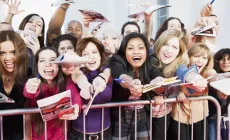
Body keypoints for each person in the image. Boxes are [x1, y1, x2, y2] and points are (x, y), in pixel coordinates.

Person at [110, 32, 164, 140]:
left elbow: (156, 74)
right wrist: (131, 83)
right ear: (124, 51)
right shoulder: (117, 60)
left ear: (146, 50)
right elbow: (120, 75)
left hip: (142, 118)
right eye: (130, 48)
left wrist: (159, 82)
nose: (136, 52)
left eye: (141, 48)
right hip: (121, 120)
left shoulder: (150, 61)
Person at [23, 47, 83, 140]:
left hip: (61, 137)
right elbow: (28, 93)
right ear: (37, 65)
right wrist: (30, 89)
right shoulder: (33, 82)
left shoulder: (66, 81)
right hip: (36, 137)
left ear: (58, 65)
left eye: (52, 60)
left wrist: (76, 107)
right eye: (42, 60)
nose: (48, 64)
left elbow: (75, 95)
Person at [70, 37, 112, 140]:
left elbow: (107, 73)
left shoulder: (107, 71)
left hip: (105, 134)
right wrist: (84, 85)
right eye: (85, 54)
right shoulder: (77, 72)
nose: (90, 57)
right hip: (78, 135)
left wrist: (102, 78)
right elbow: (77, 76)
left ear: (100, 55)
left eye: (94, 52)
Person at [171, 43, 214, 140]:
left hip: (200, 116)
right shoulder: (180, 69)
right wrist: (179, 92)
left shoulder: (207, 72)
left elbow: (213, 75)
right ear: (189, 57)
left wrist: (221, 77)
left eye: (204, 58)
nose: (200, 60)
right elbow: (171, 88)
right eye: (196, 56)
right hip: (180, 116)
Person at [152, 29, 188, 140]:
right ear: (159, 44)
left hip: (165, 115)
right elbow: (153, 74)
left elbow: (186, 73)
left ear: (179, 52)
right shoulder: (150, 60)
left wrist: (193, 79)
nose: (168, 50)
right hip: (145, 117)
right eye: (165, 44)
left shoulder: (179, 66)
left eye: (174, 47)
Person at [0, 30, 28, 140]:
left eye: (13, 52)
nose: (8, 58)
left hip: (20, 136)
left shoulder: (28, 75)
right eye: (2, 53)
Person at [208, 48, 230, 140]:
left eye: (229, 59)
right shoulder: (212, 75)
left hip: (228, 118)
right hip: (213, 118)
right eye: (222, 59)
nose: (226, 62)